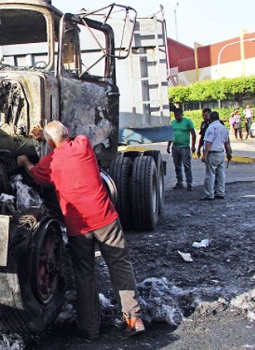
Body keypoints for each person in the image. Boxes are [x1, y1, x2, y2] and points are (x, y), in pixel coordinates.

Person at [17, 121, 145, 339]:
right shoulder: (83, 144)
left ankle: (89, 328)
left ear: (49, 142)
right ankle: (133, 319)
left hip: (79, 226)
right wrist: (47, 137)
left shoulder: (50, 161)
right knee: (120, 266)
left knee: (85, 275)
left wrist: (25, 161)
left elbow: (36, 175)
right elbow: (67, 138)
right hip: (106, 219)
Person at [200, 111, 232, 201]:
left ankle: (209, 194)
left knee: (210, 174)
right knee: (221, 174)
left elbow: (208, 143)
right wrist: (229, 153)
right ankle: (221, 192)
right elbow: (226, 143)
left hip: (212, 153)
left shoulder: (211, 128)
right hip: (221, 153)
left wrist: (204, 155)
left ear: (210, 118)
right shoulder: (223, 128)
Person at [167, 108, 197, 191]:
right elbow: (171, 135)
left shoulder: (187, 122)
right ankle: (179, 182)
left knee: (187, 165)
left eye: (178, 115)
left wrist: (193, 146)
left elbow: (193, 134)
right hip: (175, 147)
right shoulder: (173, 123)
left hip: (185, 147)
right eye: (175, 116)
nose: (177, 117)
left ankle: (189, 183)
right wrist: (168, 145)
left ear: (182, 115)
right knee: (177, 166)